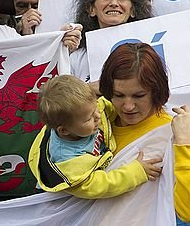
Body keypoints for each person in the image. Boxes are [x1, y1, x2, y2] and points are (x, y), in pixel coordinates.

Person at [99, 42, 190, 222]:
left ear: (156, 90)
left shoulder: (169, 133)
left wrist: (186, 143)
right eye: (118, 95)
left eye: (138, 96)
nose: (128, 106)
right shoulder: (95, 118)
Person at [28, 74, 160, 198]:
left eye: (95, 108)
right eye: (88, 119)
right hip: (62, 204)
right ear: (64, 130)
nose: (97, 116)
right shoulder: (69, 162)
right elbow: (101, 186)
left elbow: (105, 106)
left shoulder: (85, 113)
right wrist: (135, 172)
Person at [71, 0, 151, 82]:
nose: (114, 3)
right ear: (91, 9)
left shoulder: (148, 52)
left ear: (133, 10)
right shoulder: (76, 58)